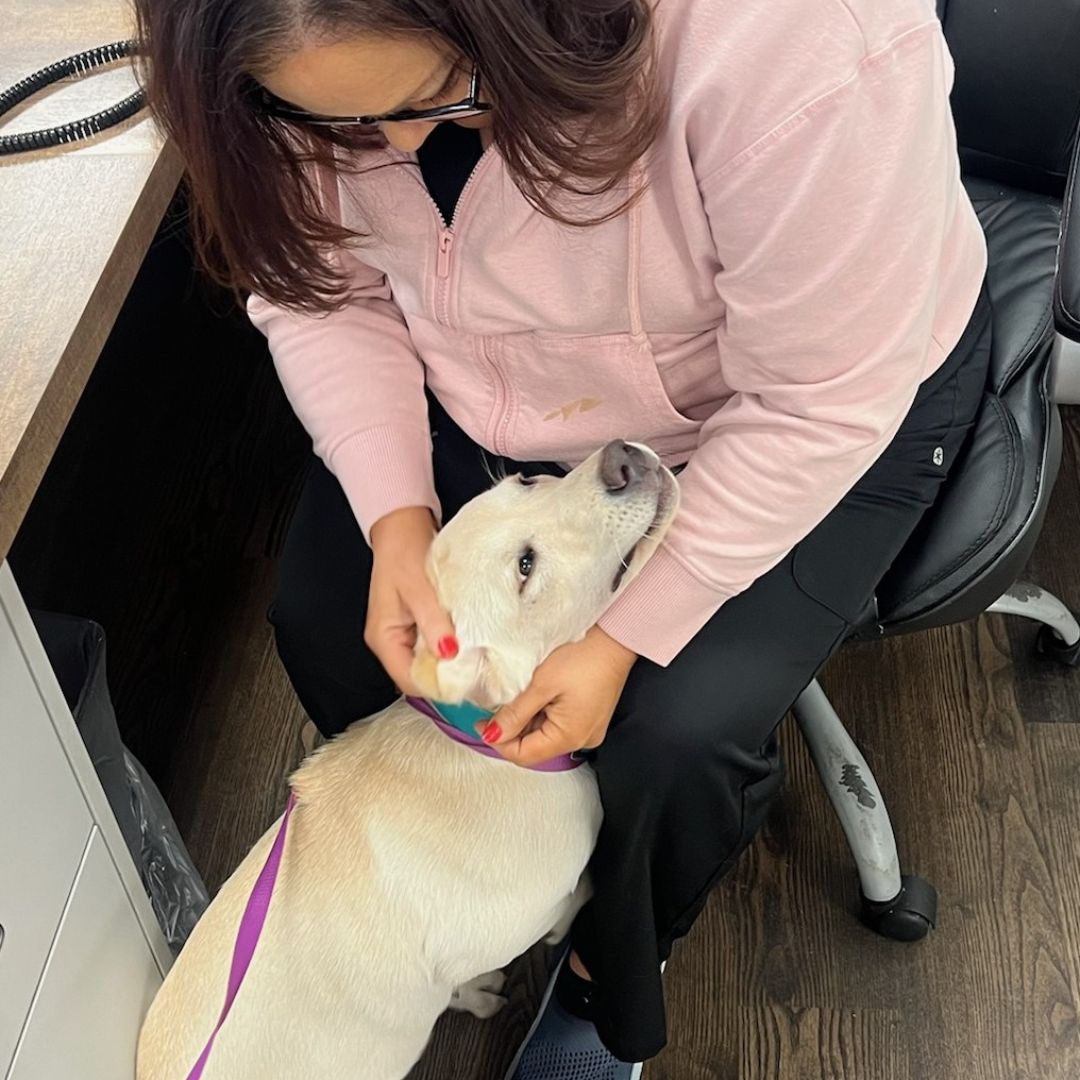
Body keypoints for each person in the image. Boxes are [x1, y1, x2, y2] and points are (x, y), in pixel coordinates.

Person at [135, 0, 989, 1075]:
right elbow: (322, 295)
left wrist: (625, 634)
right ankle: (466, 897)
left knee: (674, 738)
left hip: (811, 401)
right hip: (504, 388)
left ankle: (605, 982)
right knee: (323, 613)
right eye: (342, 130)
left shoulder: (798, 39)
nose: (400, 150)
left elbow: (822, 398)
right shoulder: (265, 67)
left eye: (438, 97)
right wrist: (396, 514)